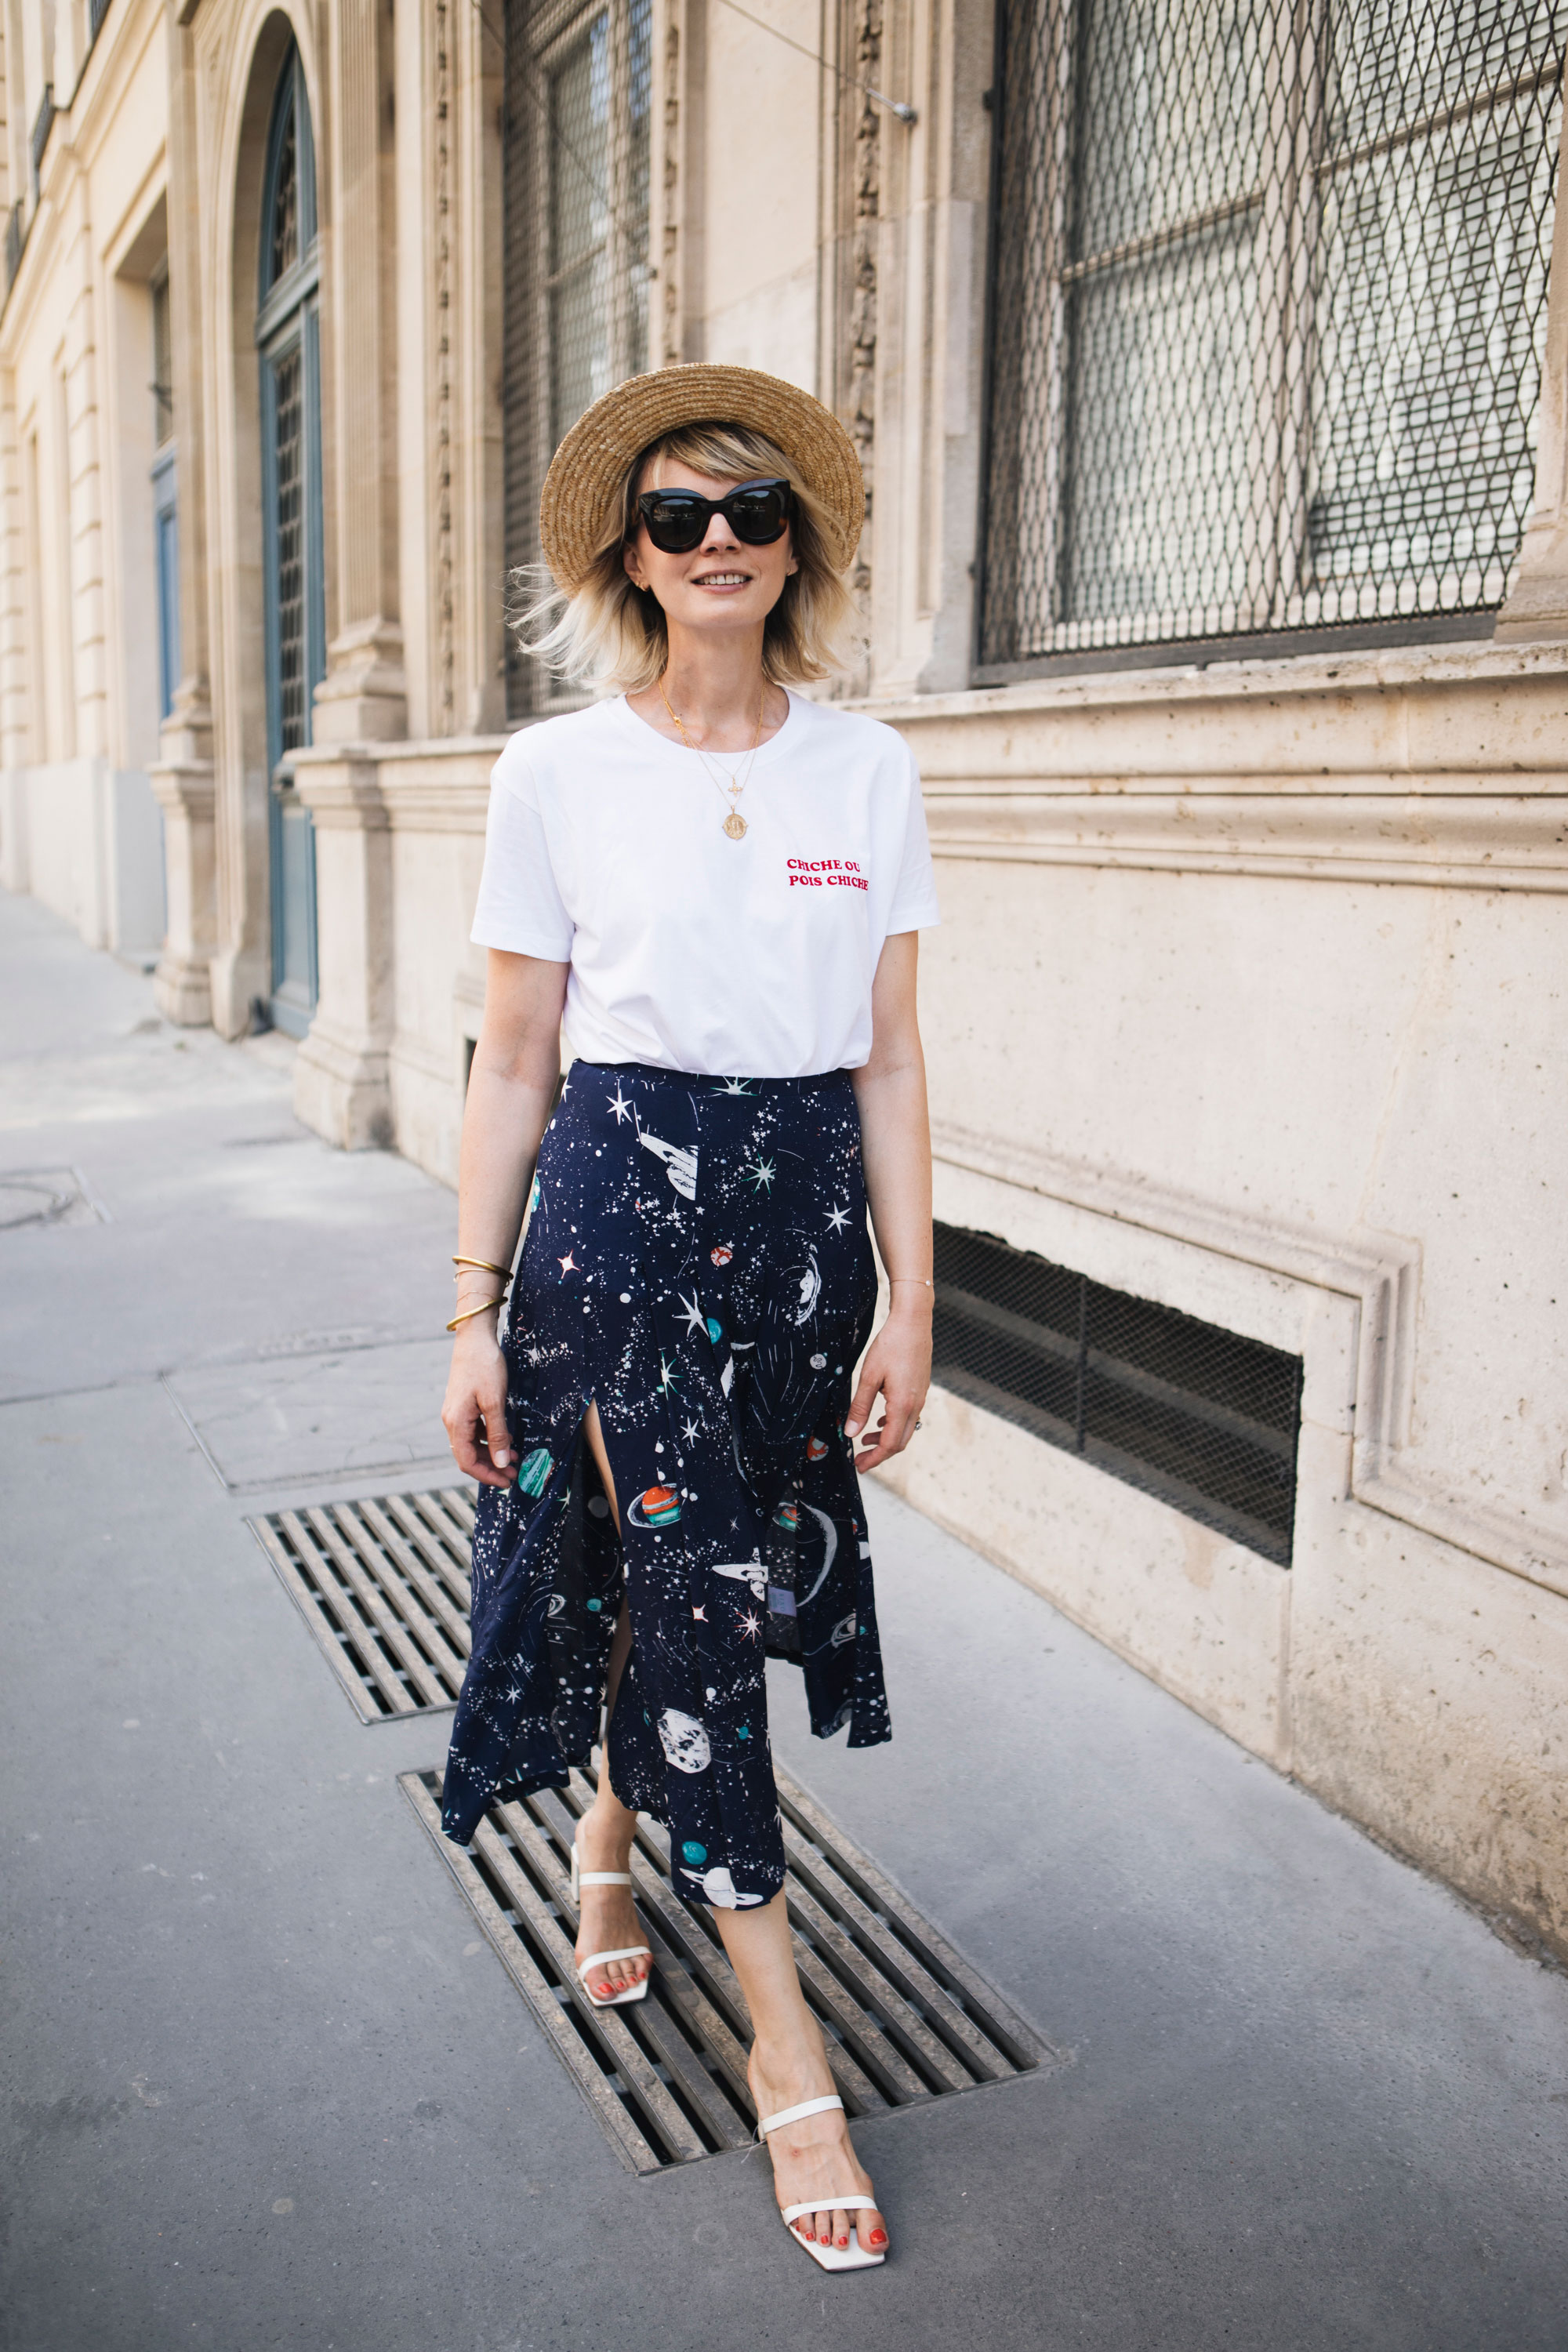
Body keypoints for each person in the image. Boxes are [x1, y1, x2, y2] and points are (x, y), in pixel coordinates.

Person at [439, 361, 938, 2271]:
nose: (717, 539)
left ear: (794, 548)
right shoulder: (556, 772)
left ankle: (604, 1829)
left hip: (803, 1225)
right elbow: (513, 1057)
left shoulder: (866, 771)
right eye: (678, 516)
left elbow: (889, 1060)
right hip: (614, 1218)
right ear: (630, 559)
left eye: (751, 510)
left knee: (684, 1573)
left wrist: (915, 1298)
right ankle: (786, 2044)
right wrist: (469, 1309)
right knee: (698, 1588)